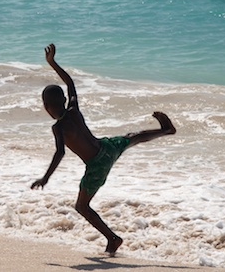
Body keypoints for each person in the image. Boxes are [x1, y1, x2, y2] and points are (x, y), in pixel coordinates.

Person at [31, 44, 176, 255]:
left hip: (96, 166)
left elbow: (60, 153)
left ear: (46, 107)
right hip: (106, 148)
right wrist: (53, 63)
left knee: (81, 207)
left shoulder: (58, 127)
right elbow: (70, 83)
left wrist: (45, 178)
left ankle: (112, 238)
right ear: (63, 100)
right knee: (131, 138)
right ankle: (166, 130)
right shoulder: (73, 110)